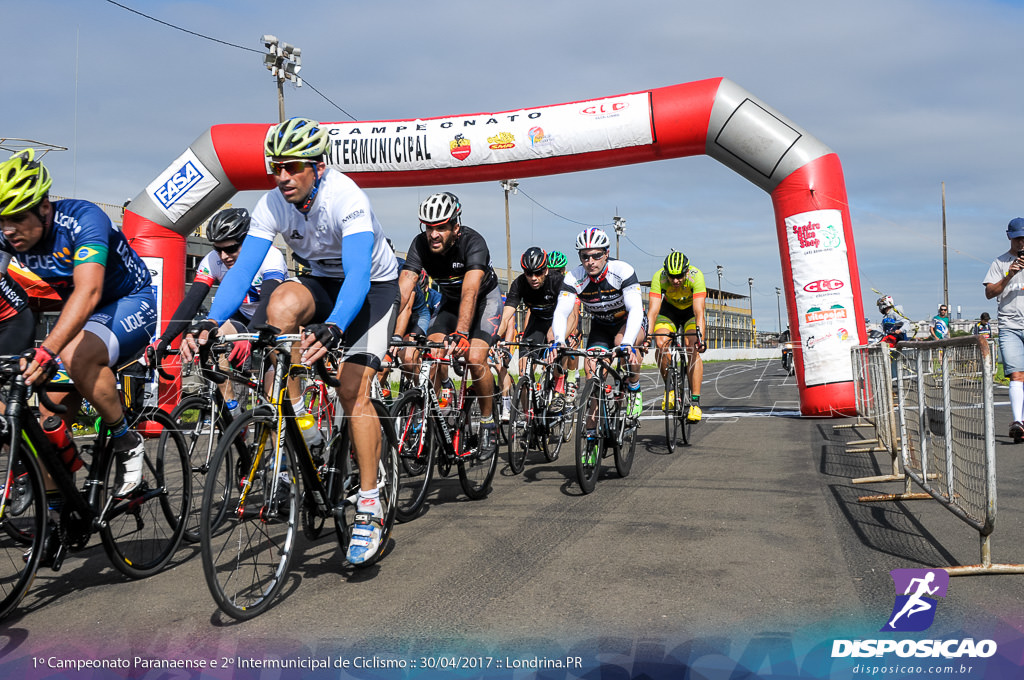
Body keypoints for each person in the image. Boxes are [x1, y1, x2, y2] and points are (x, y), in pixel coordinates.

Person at [181, 117, 400, 564]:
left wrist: (335, 327)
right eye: (276, 167)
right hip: (320, 280)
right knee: (280, 302)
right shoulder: (272, 203)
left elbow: (358, 274)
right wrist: (211, 320)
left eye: (292, 167)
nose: (282, 177)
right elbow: (244, 270)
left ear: (318, 167)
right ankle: (301, 419)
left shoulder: (347, 198)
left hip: (372, 289)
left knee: (352, 390)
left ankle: (370, 503)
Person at [0, 149, 155, 498]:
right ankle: (58, 518)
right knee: (47, 424)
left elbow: (89, 291)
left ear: (43, 208)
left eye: (16, 218)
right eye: (2, 221)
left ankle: (125, 440)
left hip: (128, 301)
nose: (9, 230)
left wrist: (46, 353)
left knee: (75, 355)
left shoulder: (84, 219)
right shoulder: (9, 234)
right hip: (84, 317)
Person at [393, 191, 502, 462]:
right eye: (429, 227)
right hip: (450, 305)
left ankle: (488, 422)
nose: (433, 234)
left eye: (441, 227)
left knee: (475, 359)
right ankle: (441, 395)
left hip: (482, 302)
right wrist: (389, 335)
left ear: (456, 226)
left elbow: (470, 291)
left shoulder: (473, 243)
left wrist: (463, 334)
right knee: (429, 354)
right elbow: (403, 291)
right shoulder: (419, 245)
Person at [149, 207, 287, 414]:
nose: (224, 256)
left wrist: (248, 337)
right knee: (212, 339)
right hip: (243, 315)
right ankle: (232, 409)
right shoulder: (213, 261)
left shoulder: (270, 256)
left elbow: (268, 300)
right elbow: (192, 301)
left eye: (231, 249)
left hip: (275, 316)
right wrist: (166, 338)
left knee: (272, 396)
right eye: (217, 249)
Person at [551, 227, 647, 426]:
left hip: (628, 322)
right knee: (591, 372)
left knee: (622, 342)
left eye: (596, 255)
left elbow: (636, 309)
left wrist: (629, 342)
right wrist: (558, 340)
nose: (590, 261)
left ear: (607, 254)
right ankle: (592, 433)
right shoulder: (574, 277)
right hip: (601, 325)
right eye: (585, 256)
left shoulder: (622, 271)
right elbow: (561, 312)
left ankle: (634, 387)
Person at [497, 247, 576, 411]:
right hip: (537, 323)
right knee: (524, 370)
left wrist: (559, 338)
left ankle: (559, 390)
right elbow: (506, 316)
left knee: (558, 352)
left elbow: (572, 316)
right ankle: (528, 418)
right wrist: (496, 336)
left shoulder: (559, 281)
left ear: (546, 270)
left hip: (559, 321)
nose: (533, 278)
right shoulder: (519, 284)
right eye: (529, 273)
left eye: (538, 273)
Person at [646, 251, 707, 422]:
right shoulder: (659, 277)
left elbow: (699, 312)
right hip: (669, 311)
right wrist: (647, 337)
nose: (675, 281)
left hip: (690, 312)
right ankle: (671, 389)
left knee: (692, 345)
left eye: (679, 276)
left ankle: (695, 403)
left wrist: (700, 338)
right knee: (660, 342)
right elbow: (653, 311)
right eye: (672, 276)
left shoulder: (697, 277)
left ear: (686, 272)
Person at [984, 217, 1024, 442]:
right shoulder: (1000, 262)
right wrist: (1010, 274)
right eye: (1017, 238)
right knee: (1016, 374)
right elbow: (990, 293)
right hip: (1010, 325)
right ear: (1010, 237)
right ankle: (1018, 421)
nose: (1021, 242)